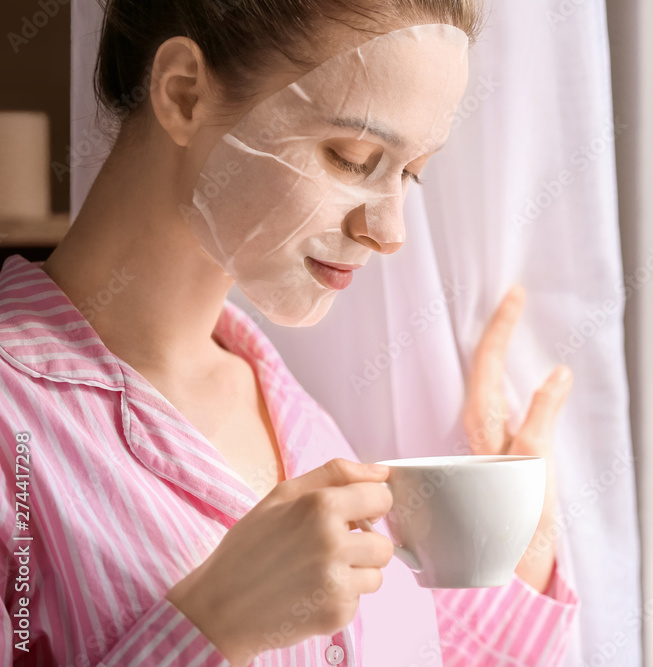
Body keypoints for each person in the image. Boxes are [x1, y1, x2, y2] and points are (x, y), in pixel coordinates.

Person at [0, 1, 579, 665]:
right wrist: (212, 626)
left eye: (410, 172)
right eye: (351, 156)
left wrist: (513, 542)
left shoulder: (297, 415)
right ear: (184, 93)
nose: (389, 233)